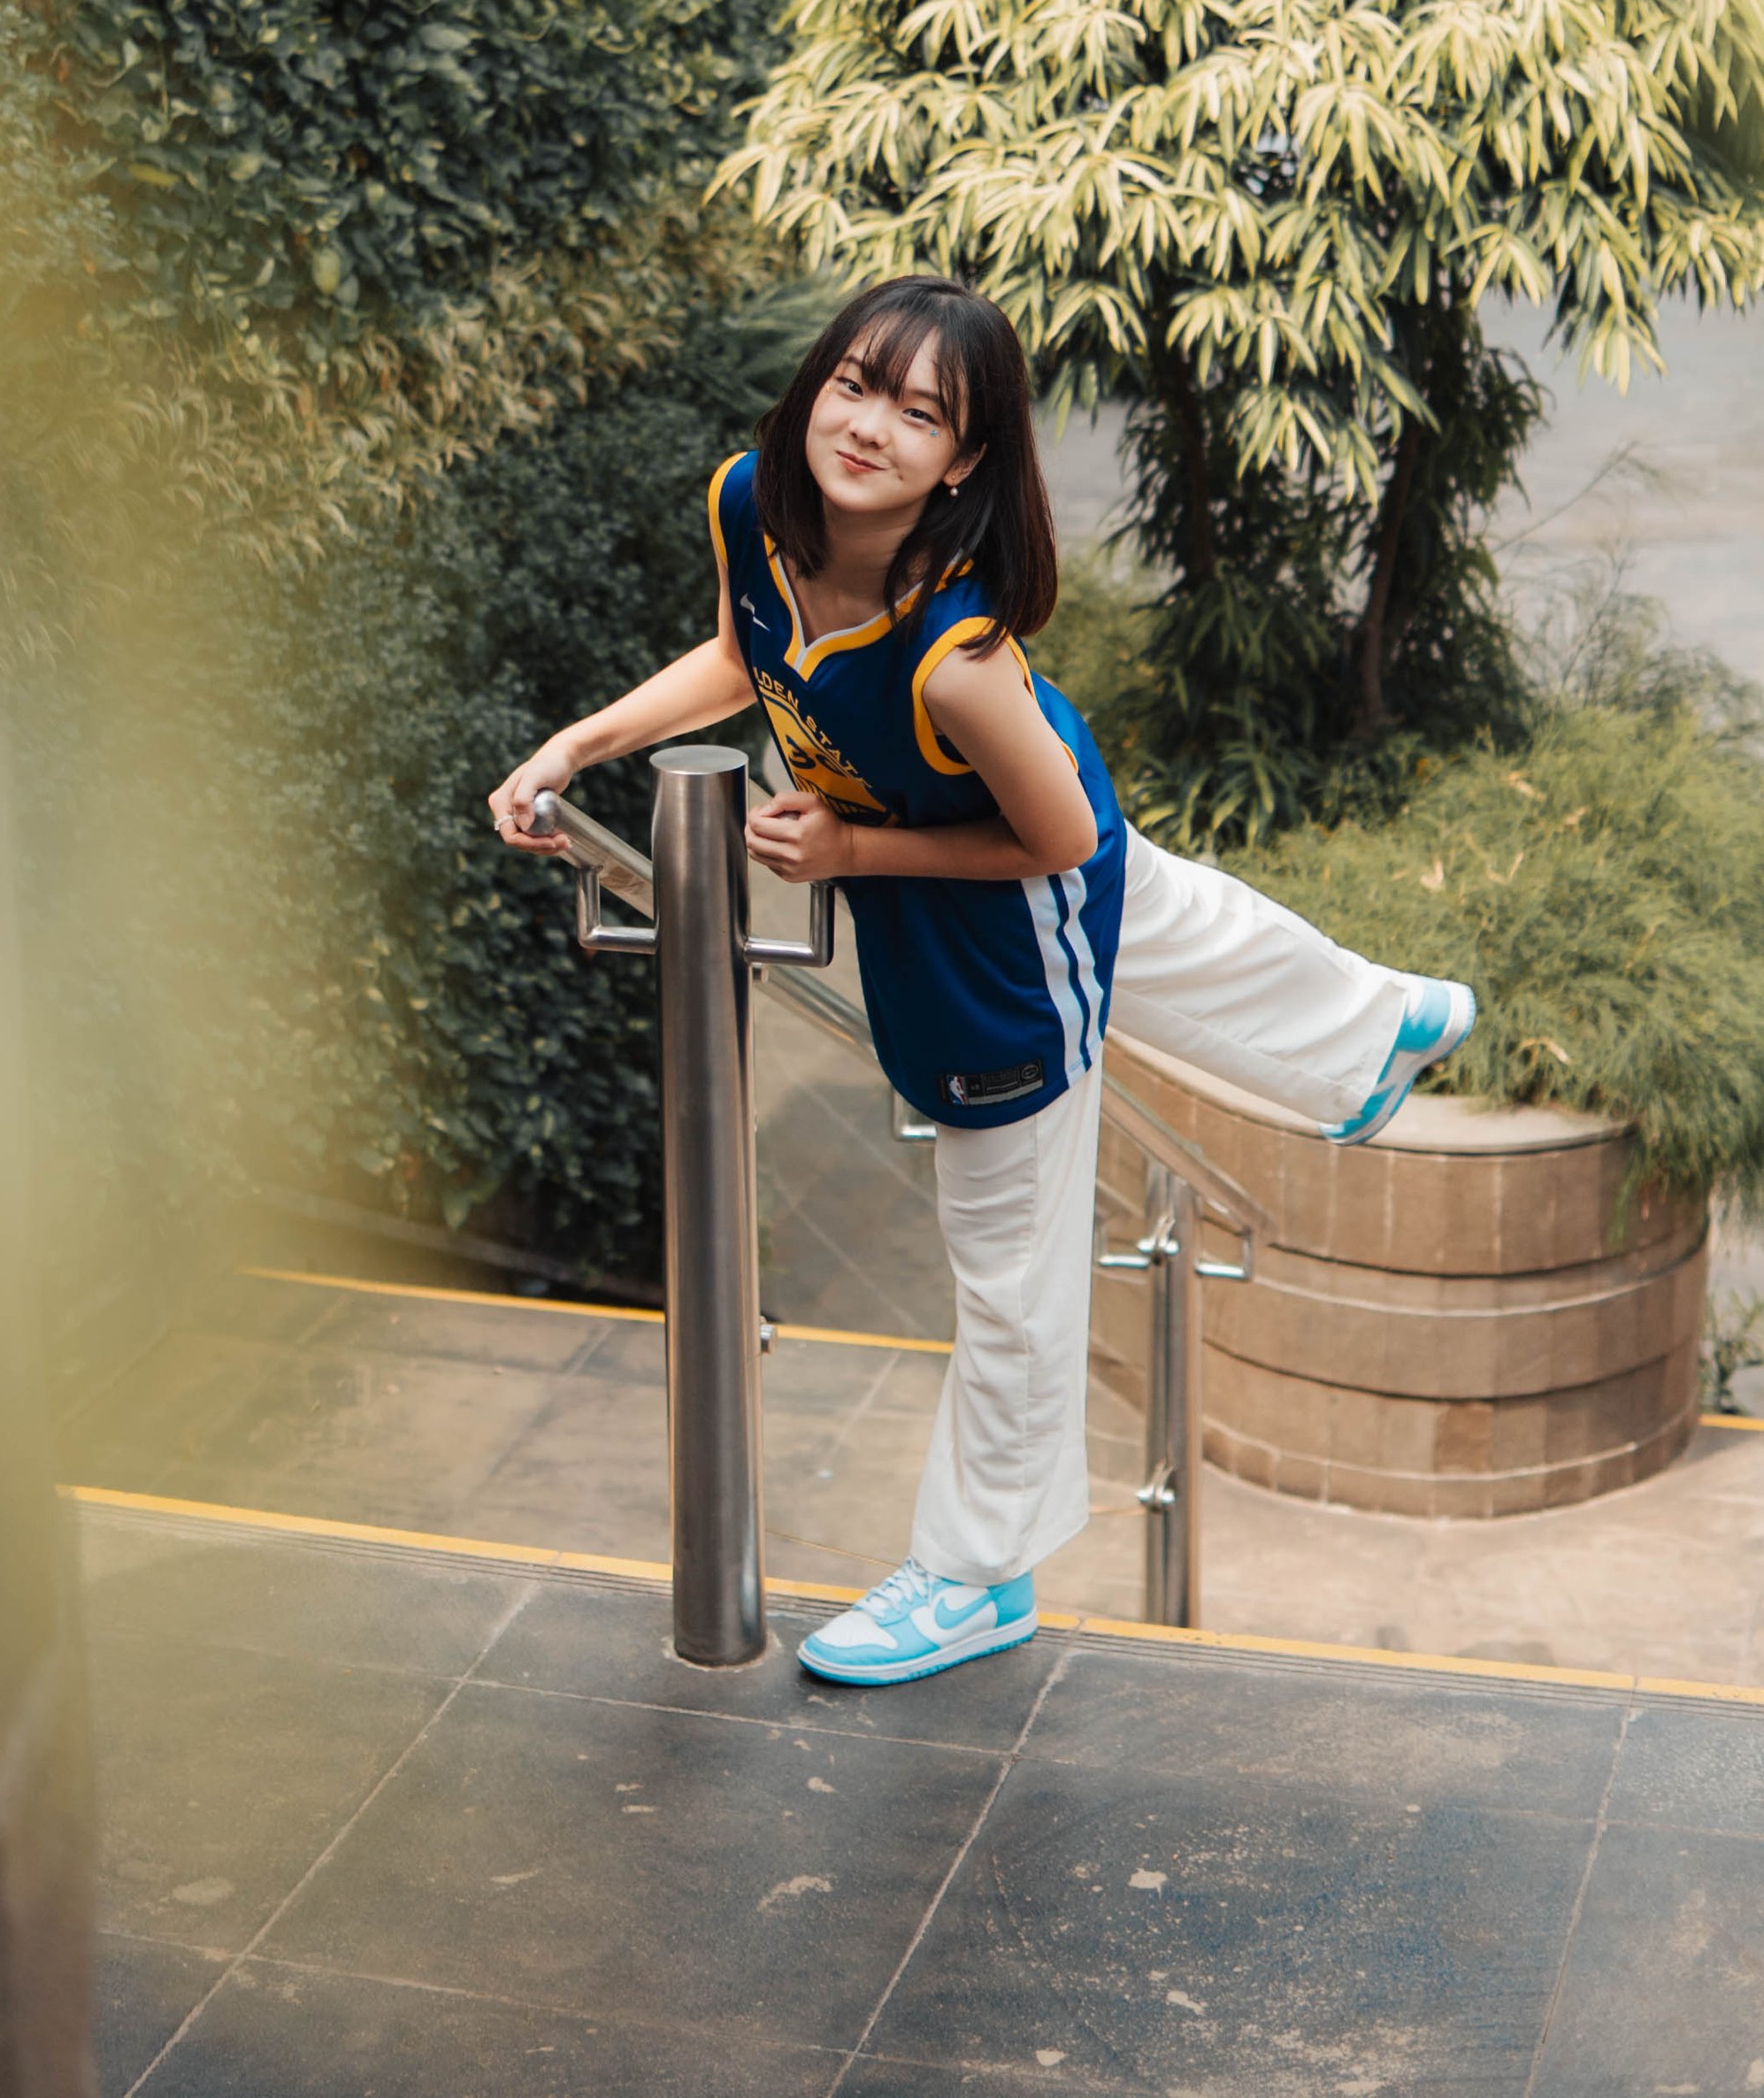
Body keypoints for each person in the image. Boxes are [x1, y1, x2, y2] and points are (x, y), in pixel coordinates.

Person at [487, 278, 1474, 1689]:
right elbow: (734, 657)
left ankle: (978, 1572)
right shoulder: (751, 502)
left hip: (1003, 908)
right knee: (1161, 913)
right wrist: (574, 747)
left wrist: (846, 842)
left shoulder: (955, 656)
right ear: (814, 384)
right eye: (855, 382)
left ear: (963, 461)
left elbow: (1060, 842)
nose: (870, 425)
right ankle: (1381, 1022)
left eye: (921, 410)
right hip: (952, 839)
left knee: (1008, 1262)